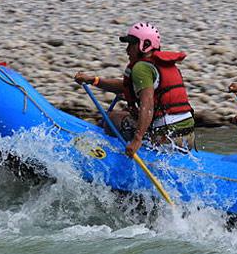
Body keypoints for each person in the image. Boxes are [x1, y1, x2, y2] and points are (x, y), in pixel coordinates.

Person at [74, 22, 195, 155]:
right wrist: (94, 81)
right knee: (125, 114)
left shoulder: (141, 68)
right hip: (187, 138)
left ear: (145, 45)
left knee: (112, 118)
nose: (127, 50)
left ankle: (109, 153)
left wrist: (137, 139)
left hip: (166, 138)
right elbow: (126, 87)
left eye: (131, 45)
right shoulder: (163, 65)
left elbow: (147, 105)